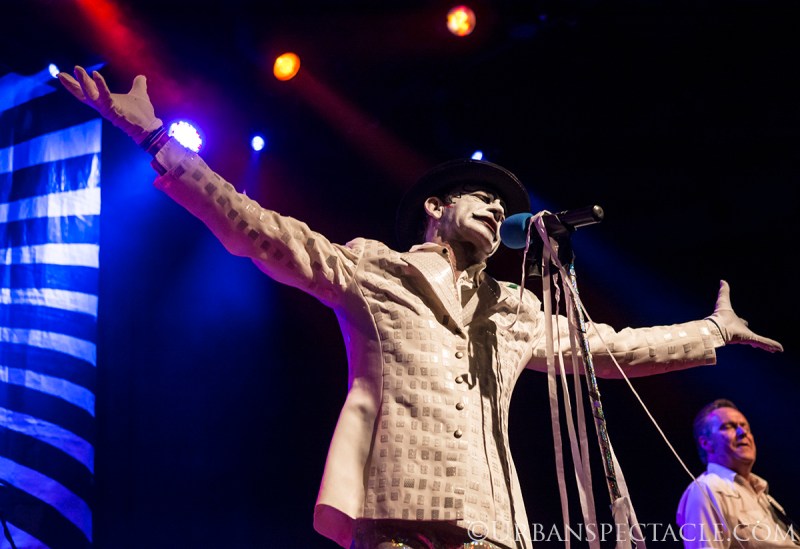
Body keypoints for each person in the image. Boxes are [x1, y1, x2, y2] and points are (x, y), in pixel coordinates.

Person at [57, 66, 784, 549]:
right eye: (481, 196)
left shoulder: (514, 307)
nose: (496, 206)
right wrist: (156, 139)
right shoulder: (376, 269)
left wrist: (712, 330)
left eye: (502, 202)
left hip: (494, 520)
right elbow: (260, 231)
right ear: (436, 208)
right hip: (396, 512)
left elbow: (612, 347)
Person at [676, 399, 798, 548]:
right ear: (706, 443)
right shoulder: (707, 489)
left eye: (745, 426)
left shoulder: (764, 496)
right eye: (728, 427)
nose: (742, 432)